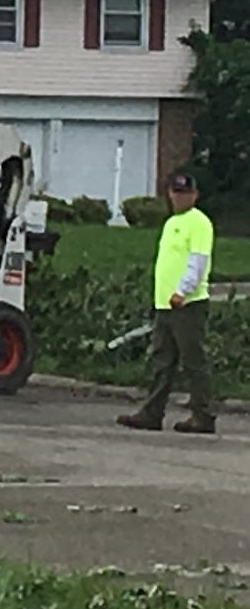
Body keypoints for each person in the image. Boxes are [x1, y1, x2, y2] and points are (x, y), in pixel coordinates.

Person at [118, 172, 217, 435]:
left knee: (193, 360)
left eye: (184, 192)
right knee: (162, 361)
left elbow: (197, 262)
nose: (178, 197)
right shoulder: (172, 222)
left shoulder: (199, 223)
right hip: (165, 305)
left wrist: (182, 290)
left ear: (194, 195)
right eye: (175, 192)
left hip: (187, 304)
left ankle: (203, 415)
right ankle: (152, 412)